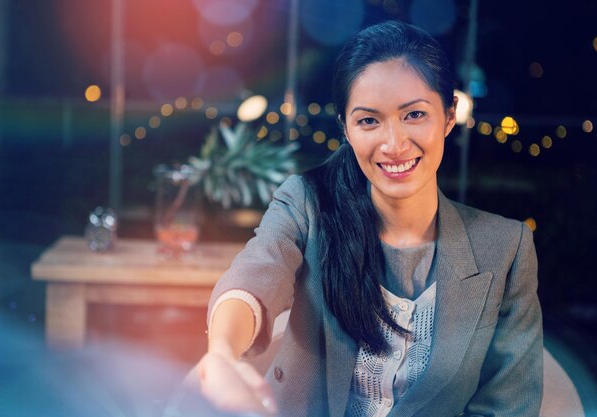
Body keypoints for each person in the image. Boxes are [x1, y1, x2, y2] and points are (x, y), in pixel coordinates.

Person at [193, 20, 543, 417]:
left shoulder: (506, 248)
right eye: (369, 120)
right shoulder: (308, 203)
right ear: (345, 128)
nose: (394, 145)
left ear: (449, 116)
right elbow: (255, 274)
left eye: (414, 115)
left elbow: (508, 406)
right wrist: (221, 354)